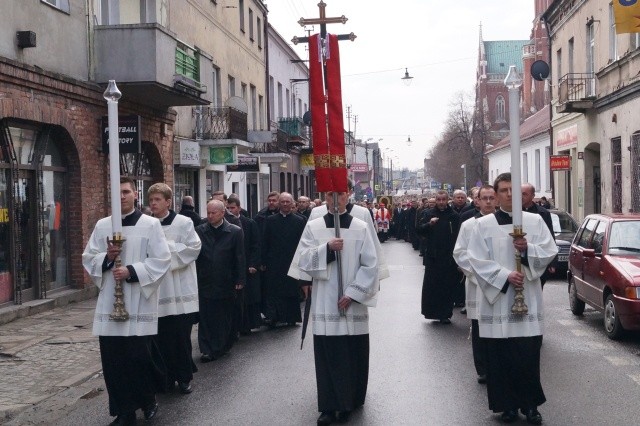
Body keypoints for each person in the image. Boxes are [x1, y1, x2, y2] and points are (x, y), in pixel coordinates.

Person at [467, 173, 557, 425]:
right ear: (495, 195)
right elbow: (475, 260)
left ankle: (530, 405)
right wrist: (505, 276)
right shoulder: (482, 226)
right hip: (497, 300)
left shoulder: (535, 221)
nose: (508, 194)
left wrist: (528, 250)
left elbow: (549, 250)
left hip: (527, 297)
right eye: (503, 190)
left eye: (512, 190)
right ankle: (506, 405)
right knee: (499, 355)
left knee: (527, 354)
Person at [82, 177, 171, 425]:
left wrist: (132, 271)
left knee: (139, 358)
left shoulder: (151, 225)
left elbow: (162, 259)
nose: (121, 196)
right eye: (116, 192)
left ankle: (147, 399)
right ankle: (124, 411)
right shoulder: (103, 226)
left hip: (139, 301)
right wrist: (108, 259)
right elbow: (89, 257)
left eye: (125, 192)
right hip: (111, 302)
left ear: (135, 195)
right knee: (113, 362)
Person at [295, 190, 379, 426]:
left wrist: (352, 293)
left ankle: (349, 401)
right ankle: (330, 406)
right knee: (329, 355)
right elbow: (302, 260)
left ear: (348, 196)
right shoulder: (313, 226)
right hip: (325, 300)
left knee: (352, 353)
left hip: (351, 302)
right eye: (330, 195)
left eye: (340, 195)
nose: (335, 200)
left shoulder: (361, 227)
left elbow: (370, 265)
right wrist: (327, 249)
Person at [148, 183, 201, 395]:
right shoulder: (147, 225)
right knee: (160, 339)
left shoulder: (183, 222)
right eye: (151, 200)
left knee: (180, 337)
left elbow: (194, 248)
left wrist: (165, 251)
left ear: (168, 202)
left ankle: (184, 377)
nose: (153, 203)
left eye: (157, 200)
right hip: (157, 289)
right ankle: (166, 378)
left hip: (179, 288)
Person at [452, 184, 496, 385]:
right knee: (479, 327)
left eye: (491, 198)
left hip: (500, 284)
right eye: (483, 198)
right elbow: (460, 253)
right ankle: (483, 368)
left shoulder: (505, 223)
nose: (487, 202)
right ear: (476, 200)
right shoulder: (469, 225)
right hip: (477, 284)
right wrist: (479, 273)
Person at [195, 200, 245, 362]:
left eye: (213, 213)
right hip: (205, 280)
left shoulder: (234, 232)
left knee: (223, 316)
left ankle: (221, 345)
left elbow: (239, 257)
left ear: (222, 213)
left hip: (226, 280)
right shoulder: (200, 231)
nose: (209, 216)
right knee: (206, 316)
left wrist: (240, 278)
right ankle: (207, 348)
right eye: (208, 212)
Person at [261, 192, 306, 326]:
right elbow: (265, 241)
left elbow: (303, 242)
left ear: (293, 203)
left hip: (292, 260)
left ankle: (291, 317)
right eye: (283, 202)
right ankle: (274, 316)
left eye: (288, 202)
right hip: (274, 261)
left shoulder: (300, 220)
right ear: (279, 204)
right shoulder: (270, 220)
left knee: (291, 290)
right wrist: (262, 261)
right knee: (274, 290)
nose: (285, 204)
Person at [417, 190, 460, 323]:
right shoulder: (428, 214)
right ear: (435, 200)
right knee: (432, 286)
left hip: (448, 257)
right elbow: (419, 230)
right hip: (433, 256)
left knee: (446, 286)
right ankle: (432, 312)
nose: (441, 202)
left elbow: (458, 235)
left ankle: (445, 314)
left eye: (444, 199)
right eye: (439, 199)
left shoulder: (453, 215)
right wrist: (429, 224)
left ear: (448, 200)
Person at [227, 196, 262, 333]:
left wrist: (254, 263)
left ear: (239, 208)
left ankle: (247, 324)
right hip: (233, 266)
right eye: (228, 208)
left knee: (248, 297)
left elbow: (256, 245)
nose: (230, 210)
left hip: (248, 265)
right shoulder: (225, 223)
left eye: (232, 208)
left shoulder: (249, 223)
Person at [522, 183, 556, 287]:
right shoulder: (514, 211)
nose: (521, 197)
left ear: (532, 196)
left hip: (537, 254)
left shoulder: (543, 213)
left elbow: (550, 236)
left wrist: (552, 262)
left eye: (524, 194)